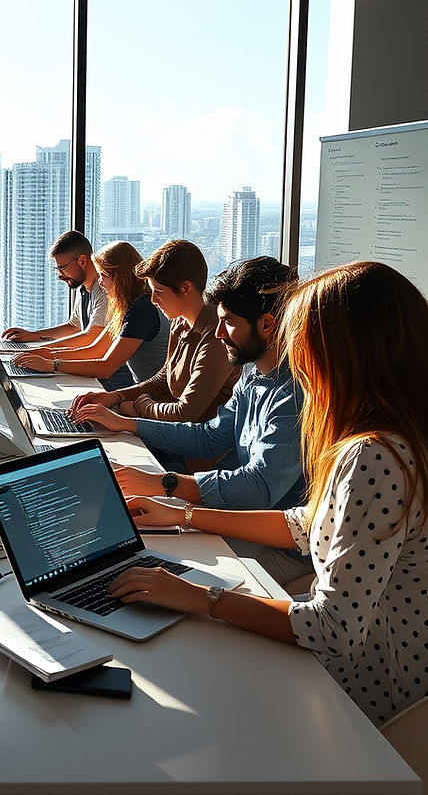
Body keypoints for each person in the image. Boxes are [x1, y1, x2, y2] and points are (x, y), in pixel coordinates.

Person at [110, 261, 428, 727]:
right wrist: (182, 515)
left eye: (303, 342)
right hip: (369, 679)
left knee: (189, 683)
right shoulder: (396, 438)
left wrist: (203, 598)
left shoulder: (373, 456)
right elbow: (305, 524)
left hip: (360, 704)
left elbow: (333, 628)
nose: (295, 358)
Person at [98, 256, 309, 584]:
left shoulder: (294, 394)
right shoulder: (253, 370)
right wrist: (128, 424)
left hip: (280, 547)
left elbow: (258, 489)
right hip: (240, 519)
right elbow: (211, 436)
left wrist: (165, 484)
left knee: (163, 570)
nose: (220, 333)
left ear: (267, 324)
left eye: (229, 322)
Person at [69, 240, 239, 432]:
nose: (153, 300)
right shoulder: (180, 322)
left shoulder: (216, 336)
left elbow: (187, 413)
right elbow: (163, 380)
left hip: (193, 454)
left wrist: (137, 408)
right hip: (169, 431)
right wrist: (116, 397)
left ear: (186, 288)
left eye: (158, 292)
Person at [14, 240, 169, 387]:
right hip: (144, 391)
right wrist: (47, 354)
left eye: (104, 275)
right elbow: (95, 349)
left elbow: (105, 366)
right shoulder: (127, 306)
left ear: (121, 277)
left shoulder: (141, 310)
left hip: (155, 397)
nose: (100, 282)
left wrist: (53, 363)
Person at [1, 230, 107, 346]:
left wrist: (41, 351)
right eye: (57, 270)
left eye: (63, 268)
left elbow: (91, 337)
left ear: (82, 261)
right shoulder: (82, 286)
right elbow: (74, 326)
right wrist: (32, 335)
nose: (60, 276)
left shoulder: (105, 290)